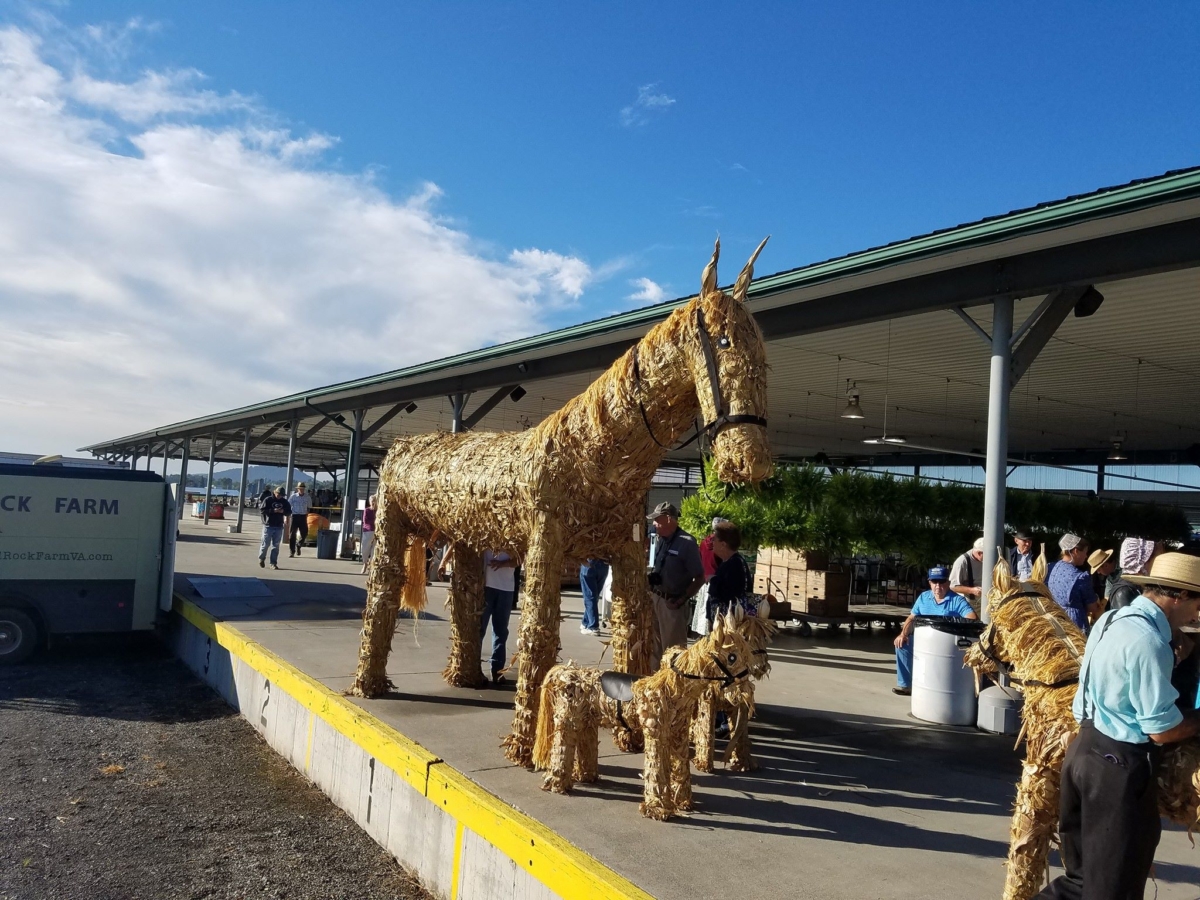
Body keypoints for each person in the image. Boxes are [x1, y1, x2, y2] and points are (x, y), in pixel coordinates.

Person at [1034, 553, 1200, 900]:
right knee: (1113, 890)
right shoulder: (1149, 641)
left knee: (1080, 881)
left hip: (1081, 755)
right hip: (1118, 770)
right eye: (1197, 604)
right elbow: (1161, 729)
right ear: (1179, 596)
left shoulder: (1111, 619)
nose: (1196, 616)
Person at [892, 566, 977, 696]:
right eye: (934, 582)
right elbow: (911, 618)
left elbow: (972, 618)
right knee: (901, 645)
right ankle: (906, 685)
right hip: (923, 640)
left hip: (946, 643)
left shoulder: (957, 600)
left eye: (941, 582)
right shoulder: (923, 598)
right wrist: (903, 634)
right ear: (929, 583)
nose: (938, 585)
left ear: (948, 583)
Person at [646, 501, 704, 665]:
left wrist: (681, 600)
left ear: (670, 519)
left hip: (672, 605)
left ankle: (674, 686)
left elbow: (700, 577)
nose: (654, 524)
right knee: (655, 649)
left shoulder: (687, 543)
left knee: (673, 653)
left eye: (657, 520)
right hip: (657, 599)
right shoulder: (662, 540)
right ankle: (656, 685)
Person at [1047, 534, 1101, 633]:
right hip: (1075, 626)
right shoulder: (1080, 577)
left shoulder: (1051, 568)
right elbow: (1092, 608)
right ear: (1075, 551)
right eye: (1085, 552)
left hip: (1055, 622)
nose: (1086, 556)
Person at [705, 522, 754, 626]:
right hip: (722, 625)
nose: (712, 541)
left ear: (723, 544)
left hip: (729, 629)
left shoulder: (735, 563)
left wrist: (712, 579)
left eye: (714, 539)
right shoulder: (728, 561)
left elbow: (730, 593)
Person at [481, 549, 517, 686]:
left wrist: (503, 564)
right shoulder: (485, 535)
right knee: (479, 629)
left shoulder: (514, 537)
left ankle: (497, 670)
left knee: (500, 631)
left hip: (506, 588)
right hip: (486, 587)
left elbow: (520, 559)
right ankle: (473, 668)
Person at [1109, 537, 1161, 611]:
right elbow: (1126, 621)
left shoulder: (1138, 585)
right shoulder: (1123, 592)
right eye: (1152, 560)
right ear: (1143, 562)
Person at [258, 487, 291, 570]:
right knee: (265, 544)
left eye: (281, 495)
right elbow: (262, 510)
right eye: (278, 494)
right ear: (275, 492)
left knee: (275, 546)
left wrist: (283, 511)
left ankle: (273, 563)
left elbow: (289, 511)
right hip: (268, 525)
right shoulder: (268, 500)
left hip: (279, 526)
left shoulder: (284, 502)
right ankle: (262, 558)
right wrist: (273, 511)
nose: (280, 496)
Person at [950, 537, 985, 610]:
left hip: (987, 602)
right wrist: (972, 590)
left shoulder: (987, 559)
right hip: (970, 604)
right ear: (979, 553)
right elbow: (953, 586)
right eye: (986, 555)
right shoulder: (962, 562)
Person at [578, 558, 608, 636]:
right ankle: (585, 622)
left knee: (590, 597)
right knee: (594, 596)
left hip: (589, 563)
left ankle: (593, 627)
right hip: (603, 564)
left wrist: (582, 560)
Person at [287, 482, 311, 557]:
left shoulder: (307, 497)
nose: (301, 490)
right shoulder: (293, 496)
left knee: (305, 533)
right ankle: (292, 551)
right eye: (300, 489)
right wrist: (287, 516)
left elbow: (309, 506)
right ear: (298, 489)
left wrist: (306, 513)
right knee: (292, 534)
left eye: (303, 489)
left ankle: (299, 544)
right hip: (295, 516)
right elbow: (288, 505)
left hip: (303, 516)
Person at [359, 495, 377, 574]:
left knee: (374, 549)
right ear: (369, 502)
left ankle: (372, 565)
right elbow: (365, 521)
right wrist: (375, 521)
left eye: (374, 500)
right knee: (365, 548)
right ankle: (365, 563)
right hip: (368, 531)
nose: (373, 502)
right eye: (371, 501)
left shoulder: (378, 511)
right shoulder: (367, 510)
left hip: (376, 531)